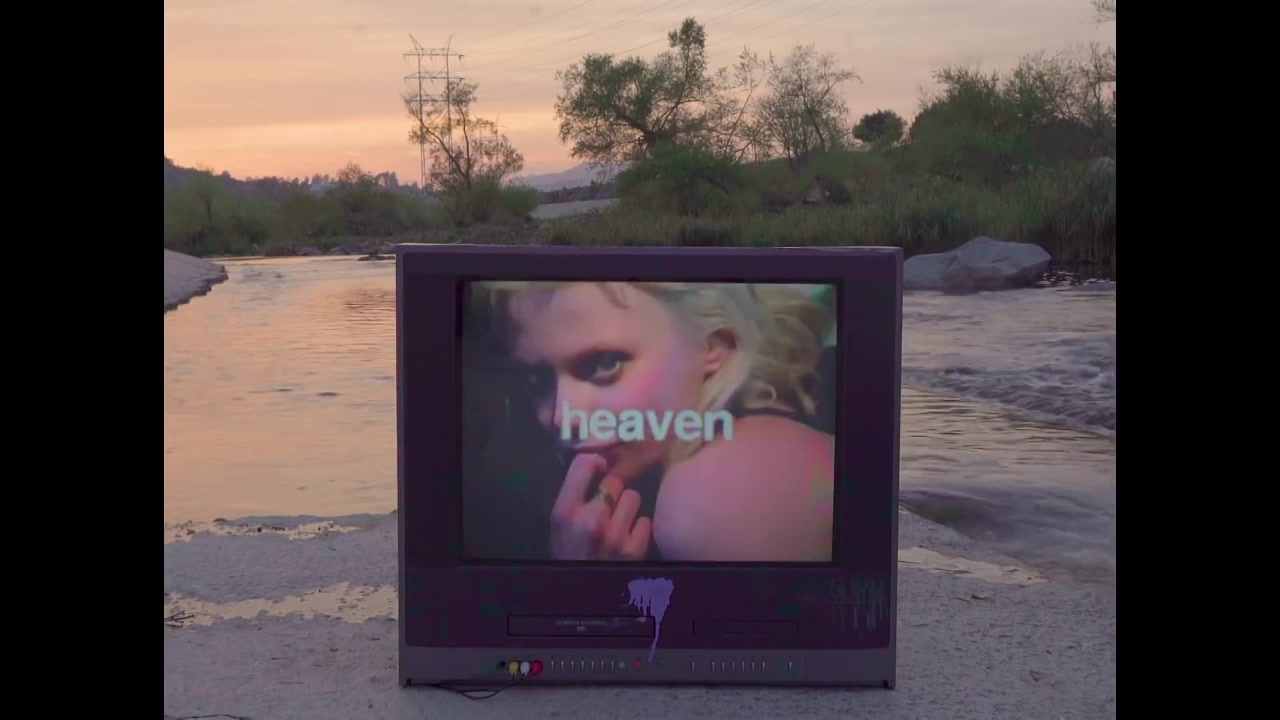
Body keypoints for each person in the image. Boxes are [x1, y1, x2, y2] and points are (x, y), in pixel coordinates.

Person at [469, 281, 836, 563]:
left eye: (606, 363)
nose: (563, 417)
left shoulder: (710, 496)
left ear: (713, 348)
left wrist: (584, 591)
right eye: (538, 381)